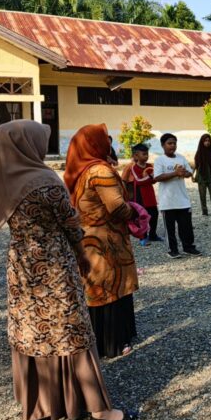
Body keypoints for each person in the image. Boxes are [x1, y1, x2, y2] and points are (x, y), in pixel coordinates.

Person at [0, 120, 136, 420]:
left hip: (21, 265)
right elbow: (71, 225)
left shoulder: (3, 179)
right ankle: (98, 410)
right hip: (54, 264)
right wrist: (82, 258)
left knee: (33, 331)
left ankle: (41, 408)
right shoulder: (44, 180)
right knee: (71, 328)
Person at [65, 124, 140, 359]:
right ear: (95, 144)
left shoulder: (81, 170)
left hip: (88, 239)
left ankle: (99, 338)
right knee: (110, 287)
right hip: (106, 241)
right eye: (105, 139)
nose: (109, 143)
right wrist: (135, 211)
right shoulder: (100, 171)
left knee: (97, 288)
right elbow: (116, 207)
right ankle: (113, 342)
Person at [153, 133, 202, 258]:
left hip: (182, 199)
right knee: (170, 229)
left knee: (186, 226)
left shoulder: (181, 158)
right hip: (167, 201)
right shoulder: (159, 160)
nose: (172, 146)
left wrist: (184, 173)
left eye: (174, 143)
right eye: (169, 143)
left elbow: (189, 172)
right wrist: (175, 173)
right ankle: (172, 250)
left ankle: (188, 247)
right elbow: (157, 177)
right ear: (163, 145)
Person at [121, 143, 163, 245]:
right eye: (144, 154)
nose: (146, 156)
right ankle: (143, 237)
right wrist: (151, 177)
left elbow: (154, 180)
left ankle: (153, 234)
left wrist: (152, 178)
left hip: (150, 194)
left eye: (147, 154)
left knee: (154, 214)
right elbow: (138, 181)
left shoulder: (150, 166)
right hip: (139, 194)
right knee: (142, 216)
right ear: (135, 155)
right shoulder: (133, 167)